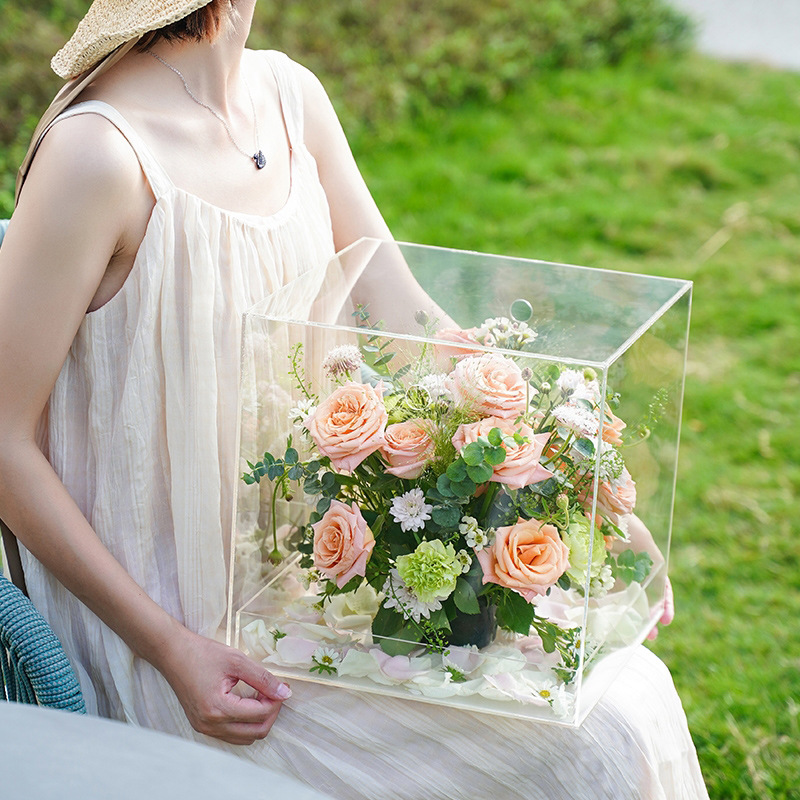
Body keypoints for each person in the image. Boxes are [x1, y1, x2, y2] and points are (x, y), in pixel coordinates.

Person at [0, 1, 708, 797]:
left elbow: (408, 319)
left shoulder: (290, 96)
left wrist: (588, 493)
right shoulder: (97, 154)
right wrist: (169, 647)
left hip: (314, 571)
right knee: (587, 746)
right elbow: (2, 442)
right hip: (173, 639)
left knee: (628, 694)